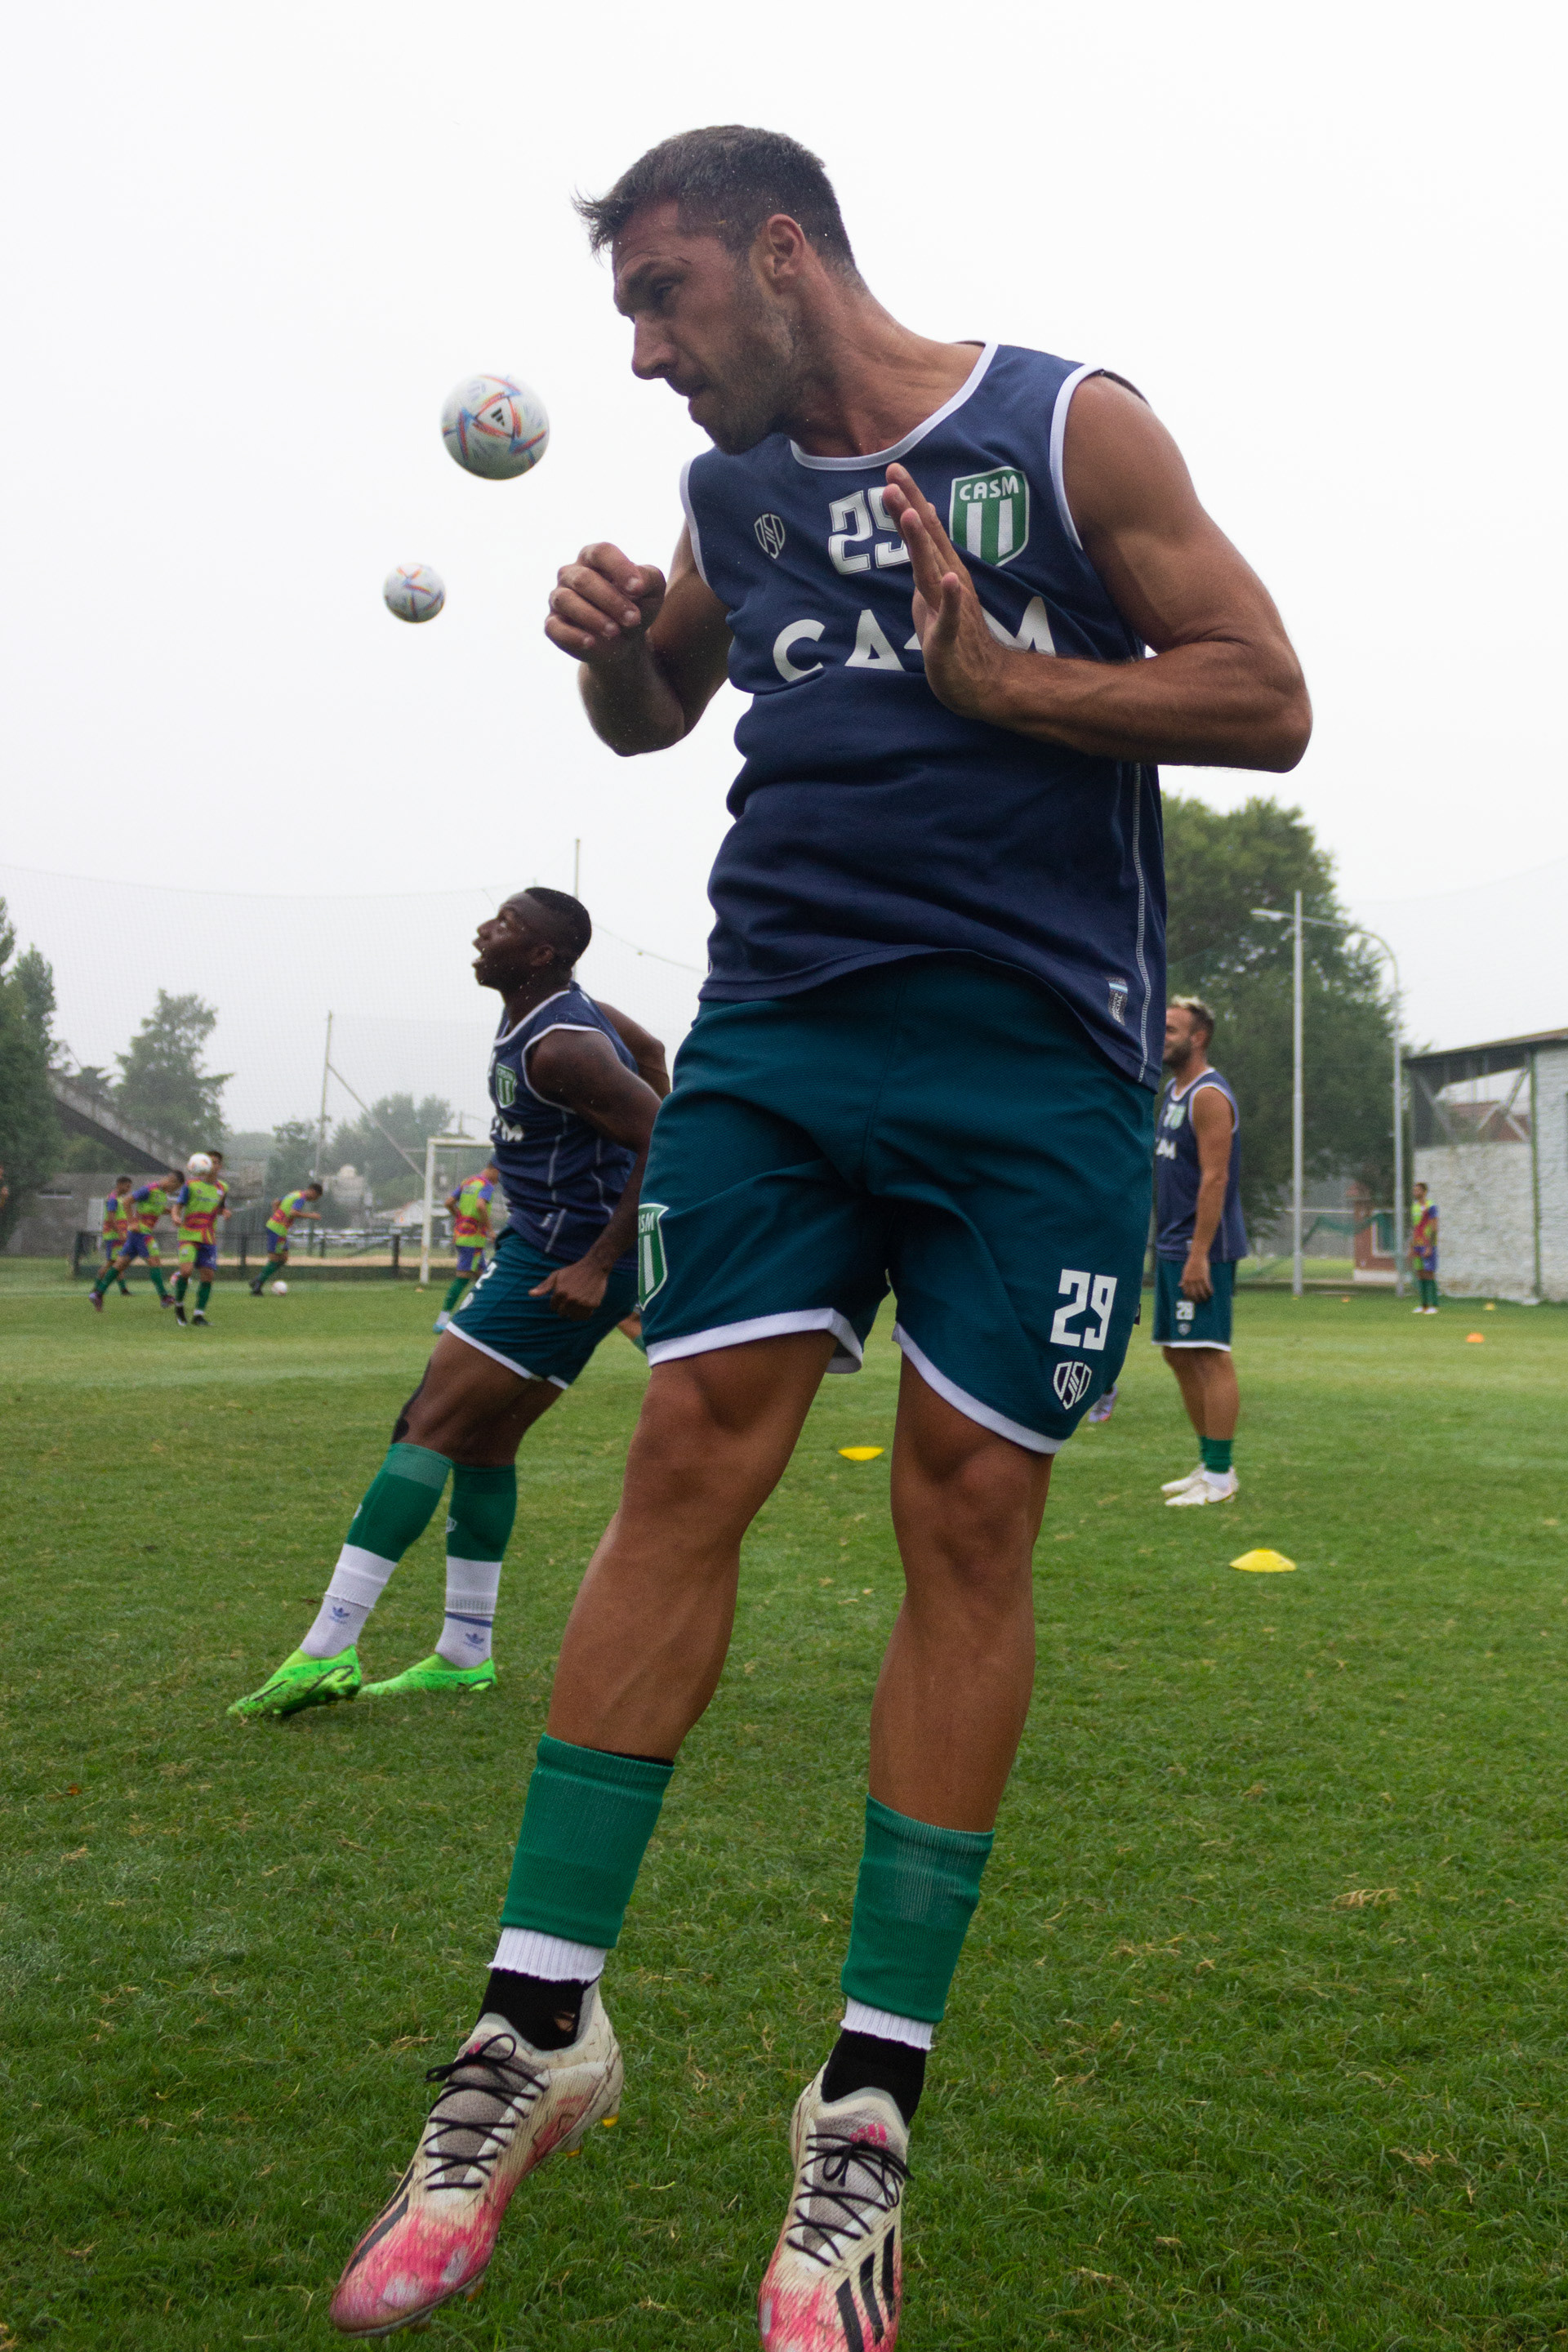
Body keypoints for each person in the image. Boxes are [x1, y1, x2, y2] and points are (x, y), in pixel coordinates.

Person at [325, 127, 1309, 2345]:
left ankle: (863, 2116)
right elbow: (660, 710)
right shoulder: (729, 493)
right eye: (625, 318)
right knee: (686, 1458)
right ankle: (534, 2030)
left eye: (663, 300)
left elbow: (1264, 691)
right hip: (777, 1034)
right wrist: (608, 656)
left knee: (966, 1516)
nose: (644, 356)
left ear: (783, 253)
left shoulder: (1065, 427)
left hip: (1034, 1063)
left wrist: (1017, 690)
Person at [229, 887, 667, 1720]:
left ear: (540, 954)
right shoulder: (555, 1014)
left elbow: (665, 1131)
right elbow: (650, 1052)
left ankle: (325, 1651)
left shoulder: (563, 1046)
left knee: (424, 1424)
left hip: (559, 1261)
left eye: (506, 924)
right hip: (560, 1252)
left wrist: (600, 1259)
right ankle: (465, 1654)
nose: (484, 930)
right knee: (485, 1443)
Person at [1154, 998, 1248, 1506]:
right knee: (1178, 1352)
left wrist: (1198, 1254)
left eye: (1171, 1029)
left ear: (1199, 1037)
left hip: (1202, 1247)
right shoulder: (1173, 1091)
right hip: (1173, 1242)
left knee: (1210, 1354)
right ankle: (1209, 1462)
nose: (1161, 1035)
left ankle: (1219, 1476)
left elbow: (1216, 1179)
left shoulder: (1208, 1095)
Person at [90, 1169, 180, 1310]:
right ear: (171, 1181)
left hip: (136, 1234)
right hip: (141, 1233)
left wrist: (173, 1212)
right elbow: (127, 1201)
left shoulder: (162, 1194)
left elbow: (158, 1209)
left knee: (120, 1264)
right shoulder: (149, 1189)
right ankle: (164, 1297)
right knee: (154, 1262)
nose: (174, 1190)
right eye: (176, 1187)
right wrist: (132, 1222)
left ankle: (98, 1294)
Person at [435, 1160, 501, 1333]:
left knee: (484, 1280)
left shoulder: (468, 1182)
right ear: (494, 1170)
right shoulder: (486, 1185)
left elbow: (449, 1202)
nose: (499, 1180)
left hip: (462, 1236)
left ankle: (486, 1320)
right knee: (463, 1278)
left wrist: (460, 1218)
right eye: (500, 1175)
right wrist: (490, 1230)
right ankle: (442, 1321)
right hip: (473, 1239)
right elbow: (480, 1205)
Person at [170, 1153, 226, 1326]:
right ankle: (179, 1305)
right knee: (186, 1272)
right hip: (188, 1234)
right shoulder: (191, 1185)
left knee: (208, 1276)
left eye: (215, 1162)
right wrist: (175, 1216)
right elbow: (178, 1206)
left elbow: (219, 1208)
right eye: (208, 1162)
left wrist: (224, 1212)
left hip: (208, 1237)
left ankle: (198, 1316)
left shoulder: (223, 1188)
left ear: (220, 1166)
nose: (212, 1165)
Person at [250, 1182, 323, 1294]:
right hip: (277, 1230)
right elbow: (293, 1213)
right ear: (313, 1192)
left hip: (278, 1228)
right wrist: (311, 1215)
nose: (314, 1200)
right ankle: (257, 1286)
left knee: (283, 1258)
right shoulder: (301, 1198)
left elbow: (275, 1202)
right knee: (275, 1259)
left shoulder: (295, 1194)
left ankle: (257, 1280)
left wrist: (277, 1217)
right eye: (316, 1198)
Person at [99, 1178, 134, 1298]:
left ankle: (124, 1290)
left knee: (117, 1263)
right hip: (113, 1236)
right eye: (127, 1186)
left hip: (119, 1236)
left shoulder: (120, 1199)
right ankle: (96, 1288)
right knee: (111, 1262)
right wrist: (120, 1234)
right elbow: (111, 1218)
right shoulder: (113, 1199)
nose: (129, 1189)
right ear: (119, 1185)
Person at [1410, 1181, 1439, 1312]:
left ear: (1424, 1192)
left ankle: (1434, 1305)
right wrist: (1412, 1245)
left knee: (1429, 1274)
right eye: (1414, 1190)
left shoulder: (1431, 1206)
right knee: (1420, 1273)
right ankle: (1424, 1305)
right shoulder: (1414, 1207)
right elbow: (1414, 1227)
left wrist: (1430, 1247)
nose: (1415, 1192)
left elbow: (1434, 1228)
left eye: (1418, 1190)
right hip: (1417, 1244)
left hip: (1427, 1244)